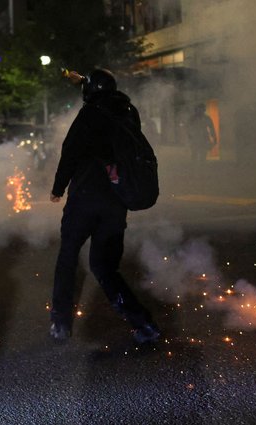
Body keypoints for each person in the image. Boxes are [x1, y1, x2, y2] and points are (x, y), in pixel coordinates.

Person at [49, 68, 160, 344]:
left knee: (68, 257)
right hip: (116, 201)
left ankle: (61, 322)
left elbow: (70, 152)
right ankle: (143, 324)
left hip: (84, 198)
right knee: (104, 266)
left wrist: (57, 188)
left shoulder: (90, 114)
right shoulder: (129, 112)